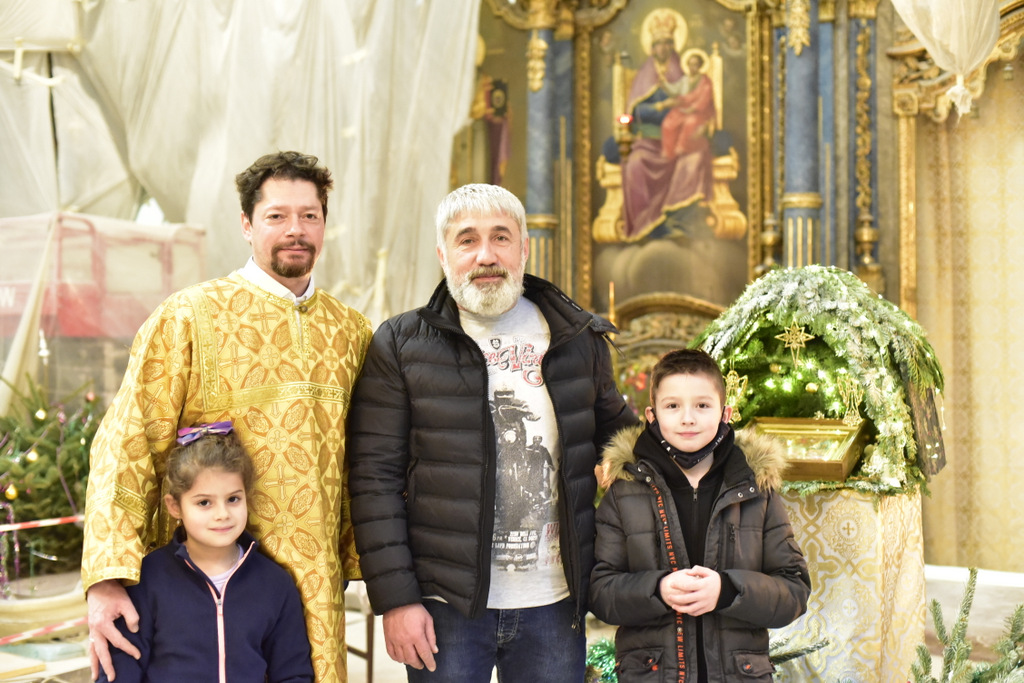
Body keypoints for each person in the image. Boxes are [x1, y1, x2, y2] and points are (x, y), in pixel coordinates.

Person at [82, 151, 372, 683]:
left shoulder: (350, 331)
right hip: (203, 584)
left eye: (309, 215)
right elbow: (127, 443)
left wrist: (373, 566)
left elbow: (369, 458)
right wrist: (105, 577)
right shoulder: (189, 317)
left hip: (317, 587)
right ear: (246, 224)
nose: (296, 229)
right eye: (277, 215)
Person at [347, 183, 639, 682]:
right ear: (443, 254)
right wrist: (397, 600)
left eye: (501, 238)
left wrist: (693, 432)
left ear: (523, 249)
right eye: (467, 240)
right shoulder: (400, 344)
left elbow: (623, 443)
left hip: (554, 601)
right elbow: (374, 478)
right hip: (445, 603)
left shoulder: (576, 338)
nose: (486, 255)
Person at [589, 349, 811, 682]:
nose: (688, 418)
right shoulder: (625, 491)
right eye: (672, 406)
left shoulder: (755, 491)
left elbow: (793, 590)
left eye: (703, 405)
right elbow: (600, 592)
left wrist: (728, 590)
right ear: (652, 415)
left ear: (725, 413)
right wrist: (658, 589)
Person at [97, 423, 314, 683]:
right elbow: (120, 670)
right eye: (204, 502)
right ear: (175, 507)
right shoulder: (147, 579)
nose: (222, 514)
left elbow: (293, 673)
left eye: (233, 499)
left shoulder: (274, 583)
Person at [621, 12, 715, 240]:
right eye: (658, 44)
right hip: (648, 142)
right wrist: (659, 111)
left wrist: (667, 111)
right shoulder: (643, 76)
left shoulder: (683, 74)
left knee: (690, 163)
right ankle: (647, 226)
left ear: (673, 46)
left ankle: (678, 221)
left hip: (680, 138)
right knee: (635, 165)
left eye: (667, 43)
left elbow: (695, 103)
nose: (662, 48)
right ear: (651, 48)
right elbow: (636, 111)